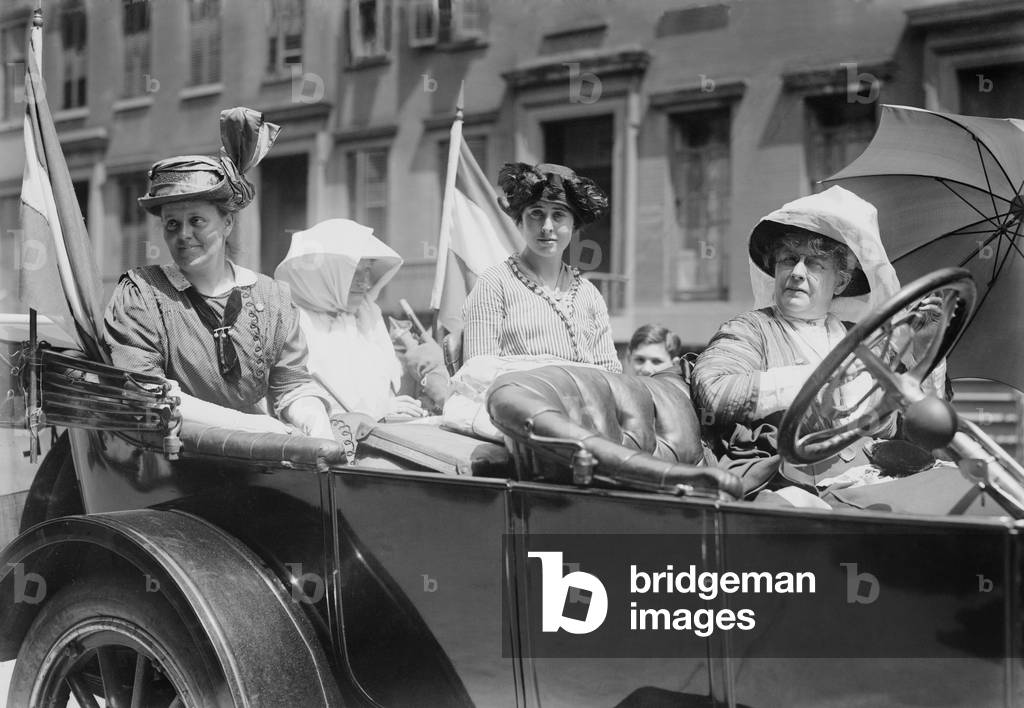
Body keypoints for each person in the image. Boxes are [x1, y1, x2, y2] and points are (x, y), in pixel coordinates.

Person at [691, 186, 943, 496]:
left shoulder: (859, 340)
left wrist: (926, 348)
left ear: (840, 281)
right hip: (792, 484)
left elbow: (917, 432)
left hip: (873, 477)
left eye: (814, 263)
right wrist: (823, 377)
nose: (797, 272)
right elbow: (714, 393)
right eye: (788, 259)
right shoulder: (751, 329)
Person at [103, 107, 333, 439]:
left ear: (227, 223)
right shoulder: (142, 294)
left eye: (196, 221)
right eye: (172, 224)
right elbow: (145, 393)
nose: (183, 234)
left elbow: (291, 384)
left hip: (258, 459)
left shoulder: (272, 298)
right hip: (171, 464)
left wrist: (313, 419)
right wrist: (254, 425)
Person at [275, 218, 446, 421]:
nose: (363, 282)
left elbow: (386, 389)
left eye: (366, 270)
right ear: (326, 274)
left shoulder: (368, 315)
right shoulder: (296, 322)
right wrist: (380, 412)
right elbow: (309, 406)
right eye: (353, 272)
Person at [460, 162, 621, 372]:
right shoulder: (495, 284)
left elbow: (611, 373)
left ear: (574, 225)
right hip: (517, 401)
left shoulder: (589, 294)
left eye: (558, 215)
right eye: (536, 213)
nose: (547, 227)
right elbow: (479, 370)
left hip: (586, 403)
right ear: (520, 222)